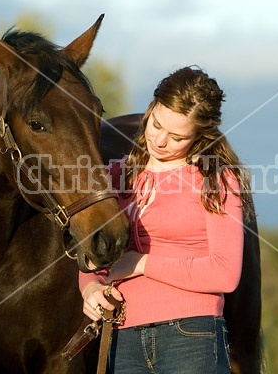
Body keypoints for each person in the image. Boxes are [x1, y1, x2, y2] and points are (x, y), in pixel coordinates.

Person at [79, 66, 254, 373]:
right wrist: (91, 288)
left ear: (199, 136)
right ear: (150, 109)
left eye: (176, 137)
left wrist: (141, 262)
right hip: (123, 337)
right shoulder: (117, 176)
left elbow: (225, 273)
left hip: (191, 337)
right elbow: (93, 253)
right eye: (156, 124)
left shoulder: (215, 180)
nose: (159, 141)